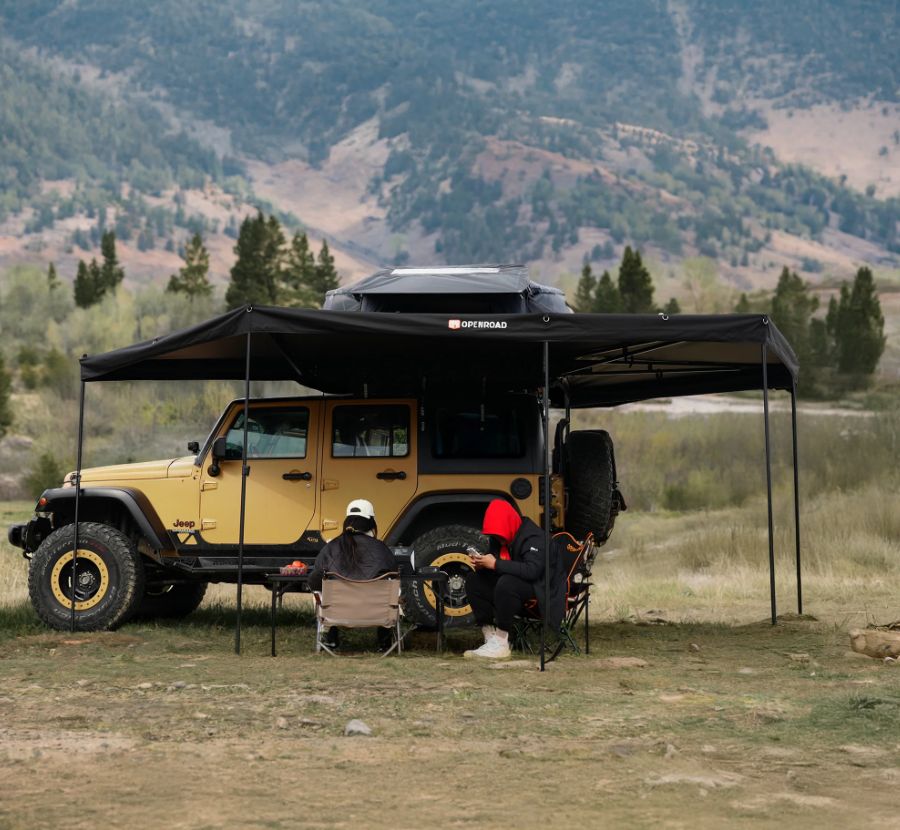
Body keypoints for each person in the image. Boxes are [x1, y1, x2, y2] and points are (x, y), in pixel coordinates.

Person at [463, 499, 565, 660]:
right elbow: (500, 566)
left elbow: (532, 571)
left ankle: (502, 642)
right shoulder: (498, 539)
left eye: (500, 535)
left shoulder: (535, 538)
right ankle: (490, 637)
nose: (498, 539)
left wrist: (495, 563)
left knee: (507, 583)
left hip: (542, 588)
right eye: (494, 535)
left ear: (509, 525)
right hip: (515, 586)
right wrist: (484, 565)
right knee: (474, 580)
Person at [308, 499, 396, 650]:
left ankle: (330, 638)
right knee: (392, 589)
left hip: (337, 614)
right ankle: (385, 641)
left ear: (347, 521)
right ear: (371, 523)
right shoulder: (381, 549)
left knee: (323, 589)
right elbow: (395, 576)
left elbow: (314, 581)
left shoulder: (331, 548)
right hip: (376, 613)